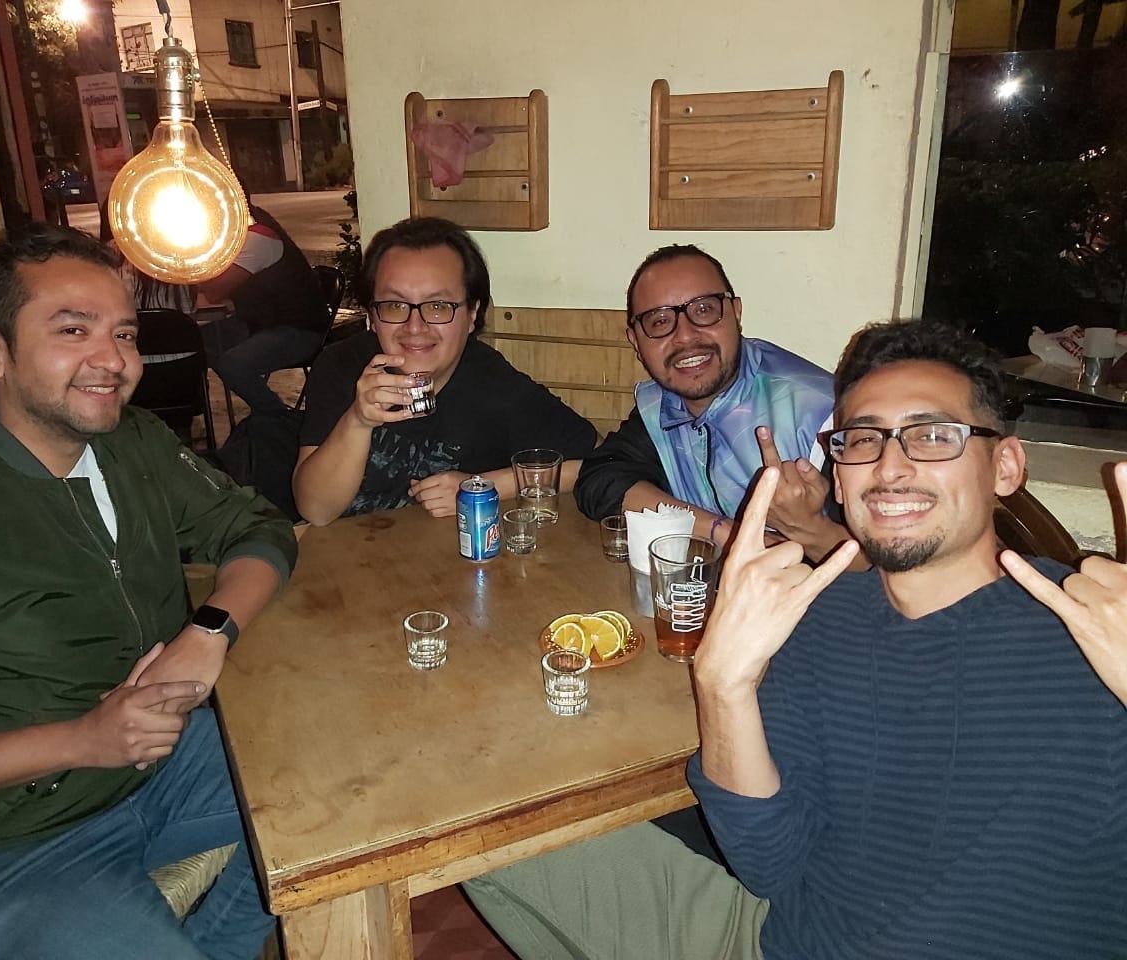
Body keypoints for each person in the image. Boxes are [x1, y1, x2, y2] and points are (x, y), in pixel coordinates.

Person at [464, 319, 1127, 959]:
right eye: (861, 441)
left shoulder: (1096, 635)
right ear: (838, 475)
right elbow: (772, 867)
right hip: (786, 939)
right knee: (480, 825)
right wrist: (723, 685)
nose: (890, 468)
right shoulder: (823, 616)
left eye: (931, 436)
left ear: (1005, 465)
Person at [0, 222, 298, 960]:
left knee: (350, 787)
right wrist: (81, 740)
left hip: (162, 768)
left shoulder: (132, 443)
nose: (113, 360)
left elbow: (258, 531)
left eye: (123, 333)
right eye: (73, 330)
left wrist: (207, 634)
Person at [293, 216, 597, 524]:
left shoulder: (492, 381)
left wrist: (481, 487)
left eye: (438, 306)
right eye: (395, 305)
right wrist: (357, 420)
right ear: (373, 314)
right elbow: (315, 511)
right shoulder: (341, 365)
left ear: (472, 314)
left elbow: (596, 462)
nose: (415, 327)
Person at [574, 244, 849, 561]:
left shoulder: (822, 417)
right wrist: (725, 533)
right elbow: (602, 480)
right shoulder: (664, 403)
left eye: (704, 310)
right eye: (660, 321)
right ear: (636, 342)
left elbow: (882, 566)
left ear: (736, 313)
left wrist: (808, 531)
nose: (685, 336)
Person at [202, 198, 328, 417]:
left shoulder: (257, 238)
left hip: (299, 330)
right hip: (263, 323)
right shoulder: (240, 232)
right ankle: (187, 419)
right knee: (199, 344)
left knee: (233, 365)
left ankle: (278, 418)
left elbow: (214, 292)